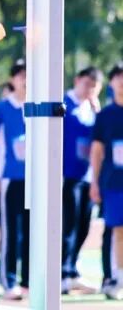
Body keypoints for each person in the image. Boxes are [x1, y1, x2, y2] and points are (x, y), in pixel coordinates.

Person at [0, 60, 30, 300]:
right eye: (20, 75)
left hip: (35, 180)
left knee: (33, 231)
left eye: (28, 74)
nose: (25, 80)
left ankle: (29, 282)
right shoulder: (2, 108)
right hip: (10, 178)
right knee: (11, 231)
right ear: (13, 79)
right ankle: (9, 281)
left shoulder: (39, 106)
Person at [62, 66, 101, 294]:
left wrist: (97, 111)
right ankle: (61, 273)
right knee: (67, 226)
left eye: (94, 87)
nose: (89, 90)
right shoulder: (64, 104)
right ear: (77, 80)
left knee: (84, 226)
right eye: (86, 84)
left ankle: (72, 270)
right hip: (66, 176)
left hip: (87, 177)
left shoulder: (93, 110)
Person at [91, 64, 123, 301]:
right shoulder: (105, 116)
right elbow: (97, 151)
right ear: (111, 83)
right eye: (118, 78)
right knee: (117, 231)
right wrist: (94, 182)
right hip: (113, 183)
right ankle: (117, 279)